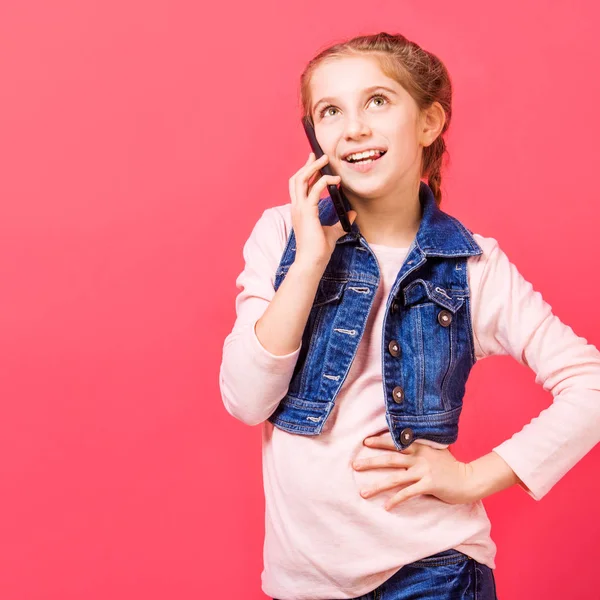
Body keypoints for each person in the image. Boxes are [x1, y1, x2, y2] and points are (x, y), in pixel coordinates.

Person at [218, 31, 600, 600]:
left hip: (435, 572)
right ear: (314, 136)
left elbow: (590, 385)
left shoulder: (473, 265)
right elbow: (247, 400)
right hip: (303, 584)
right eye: (330, 111)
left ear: (428, 123)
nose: (354, 128)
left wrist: (476, 477)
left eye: (377, 101)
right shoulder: (282, 236)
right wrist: (308, 264)